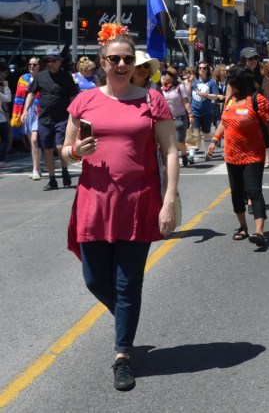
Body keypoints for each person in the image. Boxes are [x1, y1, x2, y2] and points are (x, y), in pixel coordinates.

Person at [61, 33, 178, 391]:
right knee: (95, 280)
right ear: (103, 63)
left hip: (139, 200)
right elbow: (65, 151)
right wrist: (77, 151)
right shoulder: (84, 101)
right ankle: (126, 318)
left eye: (128, 59)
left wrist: (170, 198)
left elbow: (170, 150)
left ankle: (122, 355)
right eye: (115, 59)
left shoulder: (152, 100)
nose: (122, 65)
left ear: (135, 63)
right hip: (94, 201)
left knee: (128, 284)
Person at [206, 65, 269, 246]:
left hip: (253, 154)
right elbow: (224, 122)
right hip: (231, 155)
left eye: (231, 79)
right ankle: (243, 227)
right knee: (236, 194)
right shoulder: (230, 101)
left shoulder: (258, 100)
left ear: (238, 81)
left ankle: (259, 232)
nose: (228, 82)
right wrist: (215, 140)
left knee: (254, 192)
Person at [21, 48, 79, 190]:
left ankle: (65, 171)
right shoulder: (40, 77)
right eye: (48, 61)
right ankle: (52, 180)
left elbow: (73, 98)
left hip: (62, 118)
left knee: (60, 147)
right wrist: (25, 111)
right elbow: (31, 94)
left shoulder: (66, 77)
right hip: (44, 119)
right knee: (47, 149)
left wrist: (76, 115)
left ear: (59, 62)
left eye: (53, 61)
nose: (50, 63)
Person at [14, 57, 43, 179]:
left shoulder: (43, 77)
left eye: (35, 64)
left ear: (39, 66)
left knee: (35, 140)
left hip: (40, 110)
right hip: (27, 111)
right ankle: (36, 167)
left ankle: (35, 170)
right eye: (30, 64)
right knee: (32, 141)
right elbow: (18, 97)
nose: (32, 66)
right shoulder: (23, 78)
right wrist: (19, 113)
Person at [161, 66, 192, 167]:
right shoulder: (162, 88)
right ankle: (173, 160)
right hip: (166, 119)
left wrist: (190, 114)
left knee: (179, 141)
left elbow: (186, 102)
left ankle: (183, 154)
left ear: (172, 77)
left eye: (166, 74)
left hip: (179, 117)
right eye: (164, 74)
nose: (164, 76)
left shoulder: (180, 87)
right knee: (169, 141)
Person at [0, 72, 10, 167]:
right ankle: (1, 160)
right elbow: (8, 99)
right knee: (4, 140)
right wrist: (6, 87)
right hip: (1, 119)